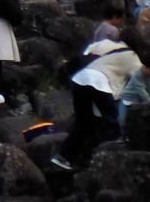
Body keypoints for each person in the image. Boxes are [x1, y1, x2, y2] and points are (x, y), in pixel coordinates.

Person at [51, 30, 143, 171]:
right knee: (111, 122)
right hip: (100, 82)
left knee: (83, 122)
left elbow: (86, 53)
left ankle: (63, 157)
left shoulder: (104, 44)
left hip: (80, 79)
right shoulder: (132, 57)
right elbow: (140, 79)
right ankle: (106, 160)